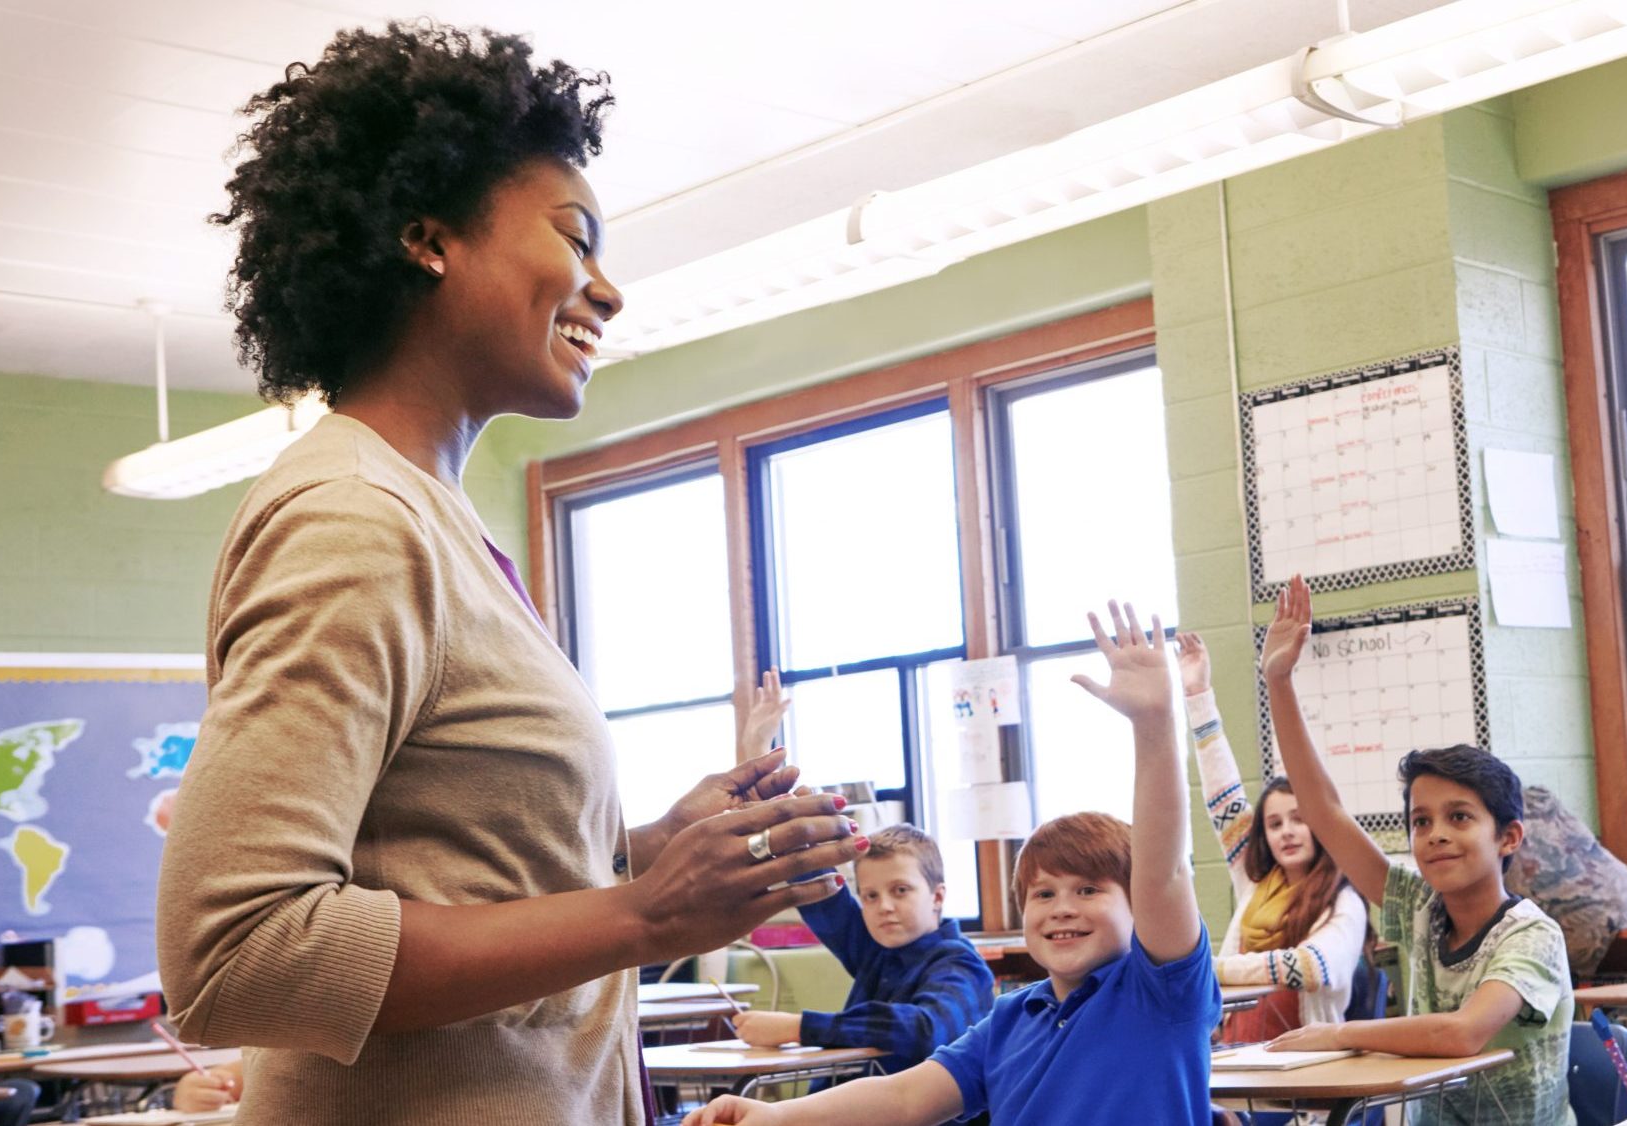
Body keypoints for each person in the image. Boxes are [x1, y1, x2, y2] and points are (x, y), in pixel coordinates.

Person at [154, 24, 863, 1122]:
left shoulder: (432, 520)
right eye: (576, 239)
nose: (608, 291)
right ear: (429, 239)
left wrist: (646, 848)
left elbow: (447, 866)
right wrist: (647, 914)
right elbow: (238, 952)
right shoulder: (355, 518)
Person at [686, 601, 1219, 1125]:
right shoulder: (1014, 1017)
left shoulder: (1161, 992)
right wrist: (779, 1115)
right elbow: (905, 1099)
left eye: (1087, 891)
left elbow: (1164, 872)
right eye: (1043, 894)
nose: (1061, 909)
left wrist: (1153, 723)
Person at [1260, 575, 1575, 1126]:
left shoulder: (1532, 936)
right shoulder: (1420, 907)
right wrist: (1278, 681)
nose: (1435, 835)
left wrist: (1337, 1034)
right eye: (1420, 820)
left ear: (1508, 836)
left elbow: (1461, 1033)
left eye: (1459, 817)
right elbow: (1326, 813)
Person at [1179, 630, 1370, 1043]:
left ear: (1320, 824)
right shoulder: (1255, 883)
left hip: (1306, 1071)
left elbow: (1313, 966)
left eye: (1299, 819)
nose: (1287, 832)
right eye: (1275, 823)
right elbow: (1220, 792)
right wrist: (1198, 695)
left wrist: (1216, 967)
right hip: (1239, 1051)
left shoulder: (1345, 901)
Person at [728, 824, 994, 1080]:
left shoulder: (960, 964)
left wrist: (797, 1028)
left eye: (900, 890)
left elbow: (925, 1030)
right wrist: (788, 828)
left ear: (937, 897)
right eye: (870, 896)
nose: (884, 907)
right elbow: (822, 895)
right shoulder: (876, 948)